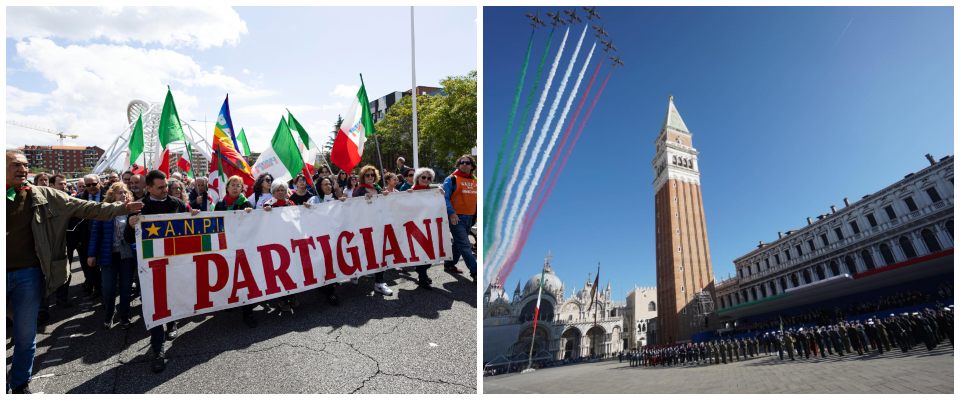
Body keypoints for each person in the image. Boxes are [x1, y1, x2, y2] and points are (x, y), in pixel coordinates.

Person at [6, 150, 143, 393]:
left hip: (28, 275)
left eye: (26, 165)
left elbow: (88, 208)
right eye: (16, 164)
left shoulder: (46, 195)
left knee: (25, 335)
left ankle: (18, 385)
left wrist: (122, 209)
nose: (23, 169)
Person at [125, 170, 199, 373]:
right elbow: (128, 239)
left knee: (172, 297)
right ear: (148, 188)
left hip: (175, 264)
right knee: (154, 304)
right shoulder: (139, 207)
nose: (165, 189)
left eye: (166, 186)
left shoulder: (176, 203)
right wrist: (131, 226)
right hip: (151, 267)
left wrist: (193, 215)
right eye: (160, 187)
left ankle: (172, 323)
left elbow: (191, 226)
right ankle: (157, 349)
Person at [87, 182, 137, 330]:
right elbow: (95, 234)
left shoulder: (132, 211)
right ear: (112, 195)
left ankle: (124, 316)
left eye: (125, 192)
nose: (123, 195)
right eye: (119, 192)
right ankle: (109, 313)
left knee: (126, 288)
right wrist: (91, 254)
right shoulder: (104, 210)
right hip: (108, 255)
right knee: (108, 288)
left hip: (127, 255)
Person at [213, 175, 259, 329]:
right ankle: (230, 303)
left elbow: (253, 224)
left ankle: (248, 312)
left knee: (245, 278)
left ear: (241, 189)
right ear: (227, 187)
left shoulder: (245, 203)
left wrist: (249, 213)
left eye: (238, 185)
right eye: (232, 185)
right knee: (229, 276)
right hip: (226, 246)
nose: (235, 187)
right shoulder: (220, 204)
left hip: (244, 246)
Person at [352, 165, 393, 296]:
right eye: (367, 175)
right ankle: (356, 272)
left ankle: (379, 282)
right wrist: (364, 201)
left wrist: (386, 195)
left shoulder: (378, 188)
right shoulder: (359, 190)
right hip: (365, 227)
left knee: (380, 253)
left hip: (379, 226)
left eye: (372, 175)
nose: (370, 177)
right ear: (363, 177)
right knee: (364, 252)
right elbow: (352, 207)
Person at [441, 155, 478, 280]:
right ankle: (476, 272)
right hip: (456, 217)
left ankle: (449, 264)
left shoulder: (475, 181)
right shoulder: (451, 179)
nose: (464, 164)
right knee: (465, 244)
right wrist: (451, 213)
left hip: (470, 217)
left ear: (472, 166)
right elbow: (444, 197)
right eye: (462, 162)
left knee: (458, 243)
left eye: (467, 163)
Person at [73, 174, 106, 300]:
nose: (91, 187)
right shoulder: (80, 198)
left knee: (107, 265)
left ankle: (107, 291)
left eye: (94, 184)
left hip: (106, 236)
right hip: (87, 237)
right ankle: (97, 289)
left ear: (99, 182)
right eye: (88, 185)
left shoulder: (108, 196)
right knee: (90, 266)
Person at [408, 168, 438, 289]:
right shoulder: (411, 192)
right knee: (421, 252)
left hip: (429, 226)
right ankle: (422, 276)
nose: (426, 180)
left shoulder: (433, 192)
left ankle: (422, 271)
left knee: (431, 253)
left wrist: (439, 193)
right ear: (417, 178)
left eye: (428, 178)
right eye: (423, 177)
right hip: (415, 227)